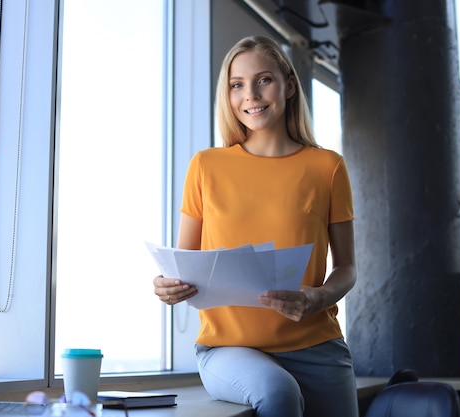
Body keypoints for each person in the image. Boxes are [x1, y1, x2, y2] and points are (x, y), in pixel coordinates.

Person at [153, 35, 358, 417]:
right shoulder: (206, 166)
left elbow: (347, 268)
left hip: (317, 346)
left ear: (289, 86)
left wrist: (317, 298)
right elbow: (183, 263)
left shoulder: (327, 167)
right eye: (237, 85)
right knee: (277, 391)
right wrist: (169, 286)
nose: (251, 94)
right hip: (229, 350)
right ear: (228, 95)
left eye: (263, 80)